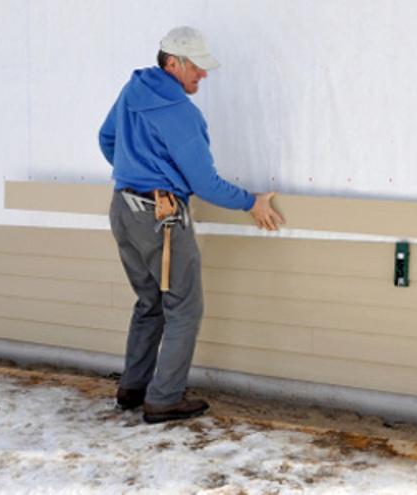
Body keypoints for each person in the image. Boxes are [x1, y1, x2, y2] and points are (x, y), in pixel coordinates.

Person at [98, 26, 283, 424]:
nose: (203, 74)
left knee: (149, 302)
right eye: (197, 66)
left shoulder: (133, 90)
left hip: (123, 208)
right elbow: (205, 183)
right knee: (184, 308)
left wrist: (136, 173)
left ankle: (132, 388)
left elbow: (106, 138)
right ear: (173, 63)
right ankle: (163, 399)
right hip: (160, 218)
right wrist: (251, 202)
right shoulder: (180, 112)